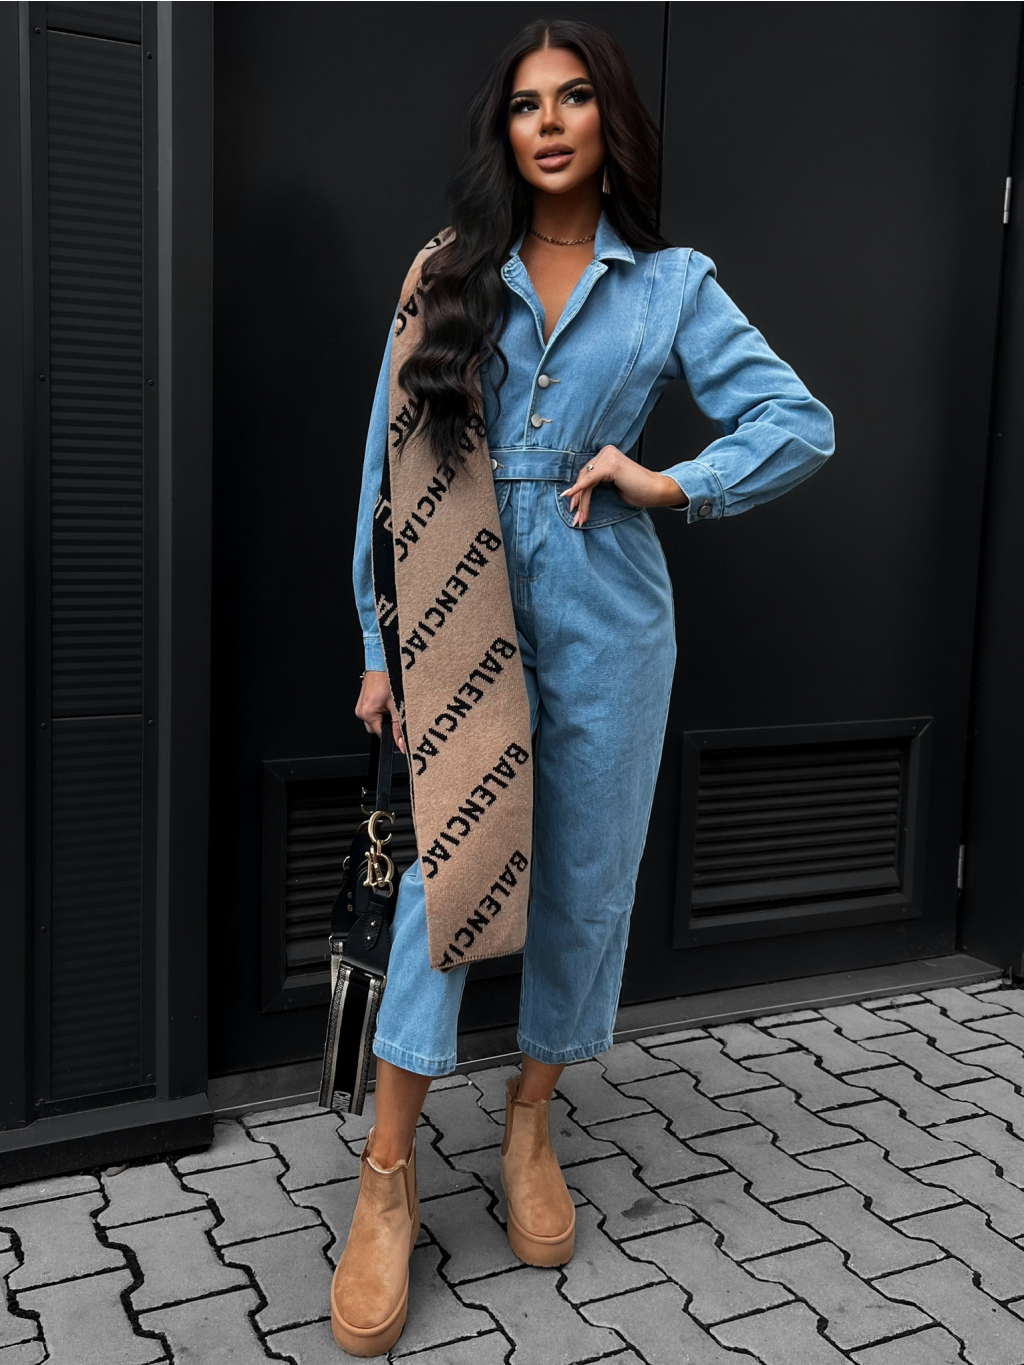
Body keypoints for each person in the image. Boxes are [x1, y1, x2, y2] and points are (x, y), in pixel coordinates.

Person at [334, 17, 834, 1357]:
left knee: (586, 880)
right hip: (459, 608)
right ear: (502, 131)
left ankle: (530, 1122)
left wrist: (668, 481)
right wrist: (379, 647)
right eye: (524, 104)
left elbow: (800, 423)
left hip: (611, 618)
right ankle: (387, 1175)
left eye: (571, 99)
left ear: (610, 121)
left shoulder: (671, 285)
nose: (548, 123)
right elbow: (383, 472)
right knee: (443, 880)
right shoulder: (448, 270)